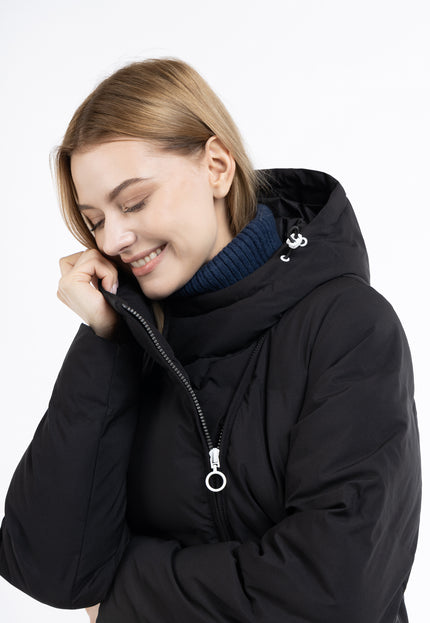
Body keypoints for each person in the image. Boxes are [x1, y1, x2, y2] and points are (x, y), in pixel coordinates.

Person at [0, 58, 421, 623]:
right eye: (94, 220)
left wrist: (118, 595)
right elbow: (50, 569)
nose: (114, 238)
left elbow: (336, 594)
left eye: (134, 202)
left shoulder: (349, 327)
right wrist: (107, 340)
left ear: (217, 167)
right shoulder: (135, 344)